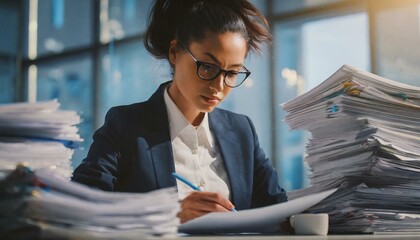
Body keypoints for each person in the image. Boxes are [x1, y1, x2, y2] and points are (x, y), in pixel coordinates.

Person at [72, 0, 287, 224]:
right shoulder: (126, 125)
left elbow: (277, 207)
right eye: (207, 67)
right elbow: (82, 202)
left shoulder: (242, 131)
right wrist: (168, 213)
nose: (219, 86)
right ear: (174, 52)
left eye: (232, 73)